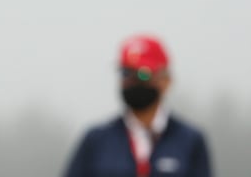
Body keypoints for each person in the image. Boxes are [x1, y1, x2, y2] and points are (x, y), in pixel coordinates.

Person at [63, 34, 211, 177]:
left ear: (165, 80)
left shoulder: (189, 140)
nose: (133, 81)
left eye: (143, 74)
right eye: (126, 73)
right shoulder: (96, 140)